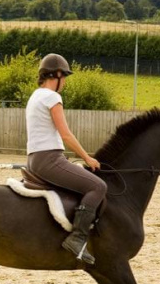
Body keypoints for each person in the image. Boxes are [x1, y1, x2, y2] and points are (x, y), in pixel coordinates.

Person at [25, 53, 107, 265]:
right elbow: (66, 134)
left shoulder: (35, 96)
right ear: (58, 74)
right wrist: (87, 158)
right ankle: (78, 239)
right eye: (65, 77)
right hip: (50, 159)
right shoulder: (52, 98)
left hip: (34, 159)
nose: (65, 83)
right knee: (97, 187)